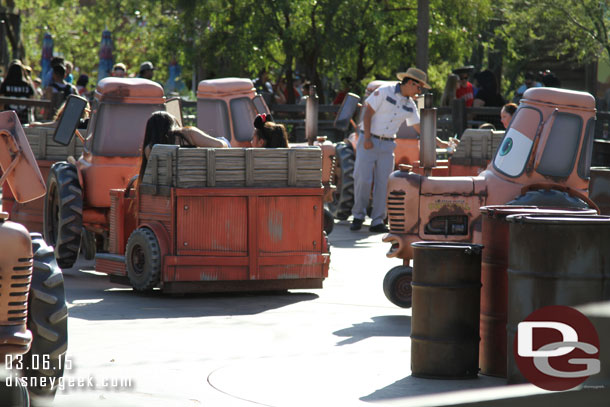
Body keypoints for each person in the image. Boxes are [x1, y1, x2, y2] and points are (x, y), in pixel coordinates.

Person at [351, 67, 429, 233]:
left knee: (384, 183)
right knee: (363, 179)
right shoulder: (384, 92)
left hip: (387, 144)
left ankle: (377, 220)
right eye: (418, 87)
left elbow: (418, 127)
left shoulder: (410, 105)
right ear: (409, 82)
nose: (419, 91)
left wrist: (437, 141)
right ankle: (358, 216)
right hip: (369, 140)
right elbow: (367, 113)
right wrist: (366, 139)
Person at [139, 111, 228, 177]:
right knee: (223, 140)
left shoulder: (149, 149)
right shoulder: (188, 134)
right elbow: (220, 146)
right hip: (197, 178)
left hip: (168, 185)